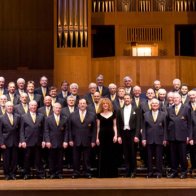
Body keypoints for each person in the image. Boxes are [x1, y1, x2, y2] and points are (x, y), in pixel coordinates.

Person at [69, 98, 96, 178]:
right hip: (75, 139)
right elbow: (69, 129)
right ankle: (76, 172)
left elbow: (94, 129)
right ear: (78, 105)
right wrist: (70, 139)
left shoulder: (92, 115)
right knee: (75, 158)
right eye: (81, 103)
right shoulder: (72, 114)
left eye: (84, 103)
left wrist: (93, 140)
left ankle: (87, 172)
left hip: (88, 139)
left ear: (86, 105)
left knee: (87, 158)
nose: (82, 105)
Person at [167, 92, 192, 179]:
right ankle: (174, 171)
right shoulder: (169, 108)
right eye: (174, 98)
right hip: (172, 136)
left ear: (180, 99)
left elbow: (190, 123)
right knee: (173, 156)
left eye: (177, 98)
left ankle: (184, 172)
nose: (175, 99)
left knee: (182, 155)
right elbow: (167, 123)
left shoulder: (187, 108)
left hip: (183, 136)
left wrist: (189, 136)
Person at [142, 98, 167, 178]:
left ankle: (159, 172)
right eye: (153, 103)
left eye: (156, 103)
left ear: (158, 105)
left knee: (159, 157)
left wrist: (164, 139)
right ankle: (150, 172)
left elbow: (165, 128)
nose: (155, 105)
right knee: (149, 157)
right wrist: (143, 138)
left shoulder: (163, 114)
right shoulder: (146, 114)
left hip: (159, 139)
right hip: (149, 139)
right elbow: (144, 128)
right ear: (150, 105)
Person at [20, 100, 45, 179]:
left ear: (37, 106)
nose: (33, 107)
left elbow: (44, 129)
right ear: (29, 106)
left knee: (38, 158)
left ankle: (39, 173)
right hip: (27, 141)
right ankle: (26, 174)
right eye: (32, 105)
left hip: (38, 141)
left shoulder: (41, 116)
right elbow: (21, 130)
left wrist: (44, 140)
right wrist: (22, 140)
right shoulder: (23, 116)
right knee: (27, 159)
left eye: (35, 105)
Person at [117, 94, 140, 178]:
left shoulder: (136, 109)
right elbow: (118, 124)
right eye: (125, 98)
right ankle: (127, 171)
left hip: (133, 133)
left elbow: (138, 123)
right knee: (125, 153)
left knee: (133, 153)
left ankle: (133, 171)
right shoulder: (120, 110)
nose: (126, 100)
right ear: (123, 99)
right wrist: (119, 136)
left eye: (128, 98)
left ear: (131, 99)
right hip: (123, 133)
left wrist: (137, 135)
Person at [44, 102, 68, 179]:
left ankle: (59, 173)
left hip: (61, 142)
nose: (58, 109)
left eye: (59, 108)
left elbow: (67, 131)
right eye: (56, 108)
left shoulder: (65, 118)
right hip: (51, 142)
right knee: (51, 158)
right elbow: (46, 131)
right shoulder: (48, 118)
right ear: (53, 109)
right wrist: (47, 141)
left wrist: (65, 141)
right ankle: (52, 172)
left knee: (60, 158)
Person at [96, 98, 118, 178]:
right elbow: (98, 127)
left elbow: (115, 126)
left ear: (109, 105)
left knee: (111, 153)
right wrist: (97, 138)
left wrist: (116, 135)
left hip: (111, 136)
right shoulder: (98, 115)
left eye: (107, 104)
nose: (105, 105)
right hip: (102, 136)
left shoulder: (113, 113)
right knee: (102, 154)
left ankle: (111, 173)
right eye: (104, 104)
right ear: (102, 105)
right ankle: (102, 174)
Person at [0, 101, 20, 180]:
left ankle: (13, 173)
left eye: (11, 106)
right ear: (5, 108)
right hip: (5, 142)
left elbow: (19, 130)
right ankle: (7, 174)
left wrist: (20, 141)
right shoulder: (1, 118)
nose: (10, 108)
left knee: (14, 159)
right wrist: (1, 143)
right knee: (6, 159)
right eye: (8, 106)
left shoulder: (17, 117)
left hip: (15, 141)